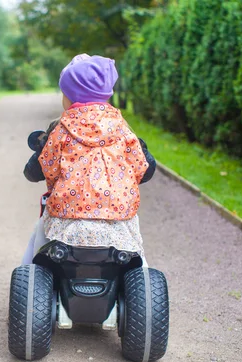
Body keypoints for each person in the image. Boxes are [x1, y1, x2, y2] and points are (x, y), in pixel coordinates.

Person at [21, 54, 156, 265]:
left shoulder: (61, 130)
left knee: (38, 244)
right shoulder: (122, 128)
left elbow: (47, 168)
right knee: (137, 256)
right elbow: (143, 169)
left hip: (68, 222)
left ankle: (29, 277)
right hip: (118, 222)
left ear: (70, 97)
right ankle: (143, 282)